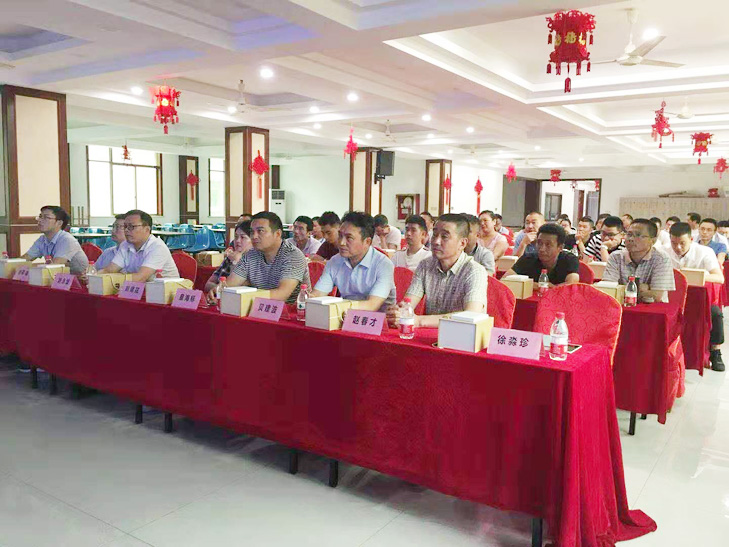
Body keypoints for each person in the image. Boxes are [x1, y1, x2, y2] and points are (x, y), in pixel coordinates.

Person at [387, 213, 488, 328]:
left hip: (462, 335)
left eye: (444, 237)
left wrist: (419, 320)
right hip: (431, 334)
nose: (436, 241)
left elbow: (471, 315)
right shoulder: (425, 265)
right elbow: (408, 303)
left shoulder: (475, 271)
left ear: (462, 243)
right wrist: (399, 313)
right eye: (434, 235)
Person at [667, 222, 725, 372]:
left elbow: (719, 278)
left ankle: (716, 351)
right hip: (670, 298)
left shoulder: (705, 252)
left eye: (682, 243)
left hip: (697, 300)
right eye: (674, 243)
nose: (678, 247)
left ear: (691, 240)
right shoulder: (663, 251)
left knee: (716, 314)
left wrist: (696, 275)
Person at [312, 211, 395, 311]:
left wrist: (337, 308)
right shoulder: (335, 261)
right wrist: (309, 299)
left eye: (349, 238)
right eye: (340, 235)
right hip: (344, 314)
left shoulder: (383, 264)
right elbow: (318, 294)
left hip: (378, 318)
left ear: (367, 242)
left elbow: (372, 305)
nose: (341, 243)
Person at [226, 212, 308, 304]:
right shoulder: (251, 254)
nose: (254, 236)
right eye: (252, 232)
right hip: (257, 307)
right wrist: (219, 290)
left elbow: (281, 295)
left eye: (260, 231)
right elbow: (229, 285)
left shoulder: (293, 255)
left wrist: (246, 297)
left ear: (277, 234)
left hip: (290, 310)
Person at [602, 218, 675, 303]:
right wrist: (644, 288)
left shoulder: (661, 258)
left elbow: (657, 296)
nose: (631, 239)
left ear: (653, 240)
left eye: (638, 235)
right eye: (629, 234)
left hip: (653, 308)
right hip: (622, 307)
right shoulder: (616, 257)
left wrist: (621, 289)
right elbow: (609, 290)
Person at [99, 210, 179, 280]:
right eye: (125, 226)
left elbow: (140, 278)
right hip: (140, 289)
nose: (126, 230)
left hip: (167, 290)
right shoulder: (125, 245)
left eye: (131, 227)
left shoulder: (158, 247)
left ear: (147, 229)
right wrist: (95, 275)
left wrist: (112, 279)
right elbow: (109, 270)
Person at [23, 205, 89, 275]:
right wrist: (16, 263)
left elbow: (55, 267)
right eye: (40, 216)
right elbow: (25, 258)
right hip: (57, 278)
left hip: (79, 279)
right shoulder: (42, 239)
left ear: (59, 223)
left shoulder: (67, 240)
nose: (40, 220)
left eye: (46, 217)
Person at [505, 224, 579, 285]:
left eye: (548, 245)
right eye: (539, 243)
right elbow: (505, 280)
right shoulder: (528, 258)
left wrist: (551, 288)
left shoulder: (570, 260)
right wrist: (531, 285)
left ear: (560, 247)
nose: (542, 249)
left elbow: (572, 284)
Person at [203, 220, 252, 299]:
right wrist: (220, 288)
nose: (238, 241)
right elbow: (208, 284)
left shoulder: (253, 262)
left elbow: (236, 289)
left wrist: (235, 262)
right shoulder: (229, 258)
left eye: (243, 237)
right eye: (236, 237)